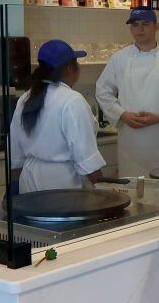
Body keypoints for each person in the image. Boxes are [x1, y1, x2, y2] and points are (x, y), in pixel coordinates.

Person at [95, 6, 159, 178]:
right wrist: (122, 114)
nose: (139, 29)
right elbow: (102, 91)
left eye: (145, 24)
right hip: (130, 144)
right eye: (135, 25)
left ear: (156, 26)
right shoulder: (119, 59)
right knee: (133, 196)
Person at [7, 39, 105, 192]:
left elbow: (15, 156)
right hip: (62, 184)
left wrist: (16, 192)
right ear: (70, 69)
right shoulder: (72, 100)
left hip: (29, 182)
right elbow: (87, 159)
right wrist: (104, 192)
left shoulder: (26, 98)